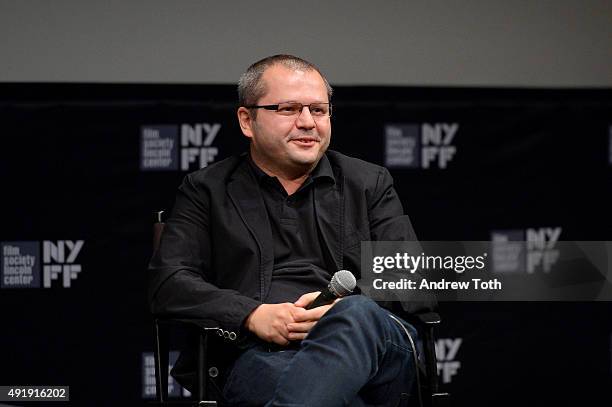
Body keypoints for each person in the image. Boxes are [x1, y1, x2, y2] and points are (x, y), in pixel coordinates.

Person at [148, 54, 433, 406]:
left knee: (355, 313)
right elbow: (169, 281)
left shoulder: (368, 183)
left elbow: (414, 276)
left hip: (376, 353)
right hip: (260, 353)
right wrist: (251, 315)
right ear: (246, 120)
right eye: (288, 109)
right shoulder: (206, 189)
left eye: (318, 110)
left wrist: (341, 312)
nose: (307, 122)